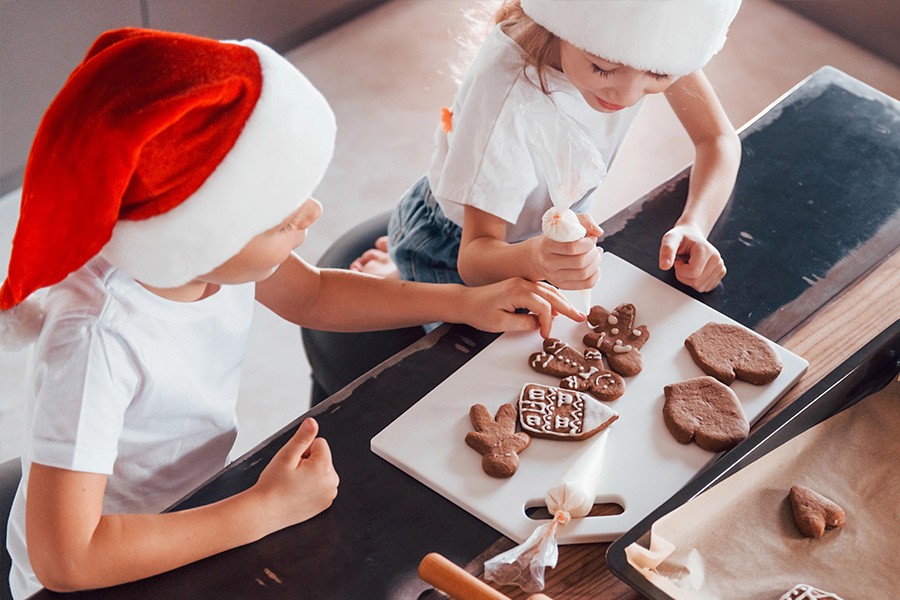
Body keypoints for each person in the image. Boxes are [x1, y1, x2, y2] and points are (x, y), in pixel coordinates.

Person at [0, 28, 583, 598]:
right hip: (108, 568)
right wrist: (260, 510)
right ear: (200, 231)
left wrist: (466, 300)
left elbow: (314, 296)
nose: (312, 213)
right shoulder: (96, 339)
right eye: (281, 218)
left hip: (198, 506)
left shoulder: (206, 259)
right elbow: (67, 558)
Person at [351, 0, 742, 295]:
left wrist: (695, 224)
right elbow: (474, 258)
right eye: (603, 69)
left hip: (547, 223)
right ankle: (403, 267)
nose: (627, 94)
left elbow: (718, 140)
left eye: (658, 75)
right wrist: (539, 258)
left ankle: (398, 259)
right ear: (558, 28)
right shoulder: (507, 93)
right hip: (451, 244)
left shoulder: (651, 38)